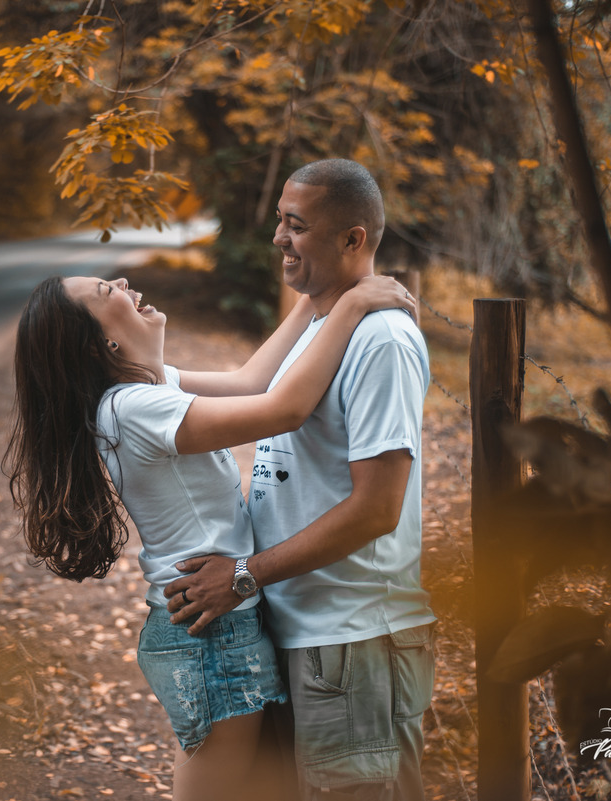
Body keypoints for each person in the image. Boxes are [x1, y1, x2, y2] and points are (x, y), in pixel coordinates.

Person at [5, 268, 415, 801]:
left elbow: (253, 382)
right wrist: (352, 305)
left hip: (213, 626)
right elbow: (284, 409)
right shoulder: (133, 409)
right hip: (209, 635)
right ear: (100, 343)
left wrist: (317, 298)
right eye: (107, 291)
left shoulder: (148, 389)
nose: (125, 281)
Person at [163, 159, 435, 801]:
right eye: (280, 222)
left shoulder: (382, 342)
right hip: (296, 631)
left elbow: (377, 510)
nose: (279, 239)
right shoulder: (319, 322)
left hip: (355, 640)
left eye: (296, 225)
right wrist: (126, 375)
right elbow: (245, 387)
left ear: (353, 240)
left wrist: (244, 575)